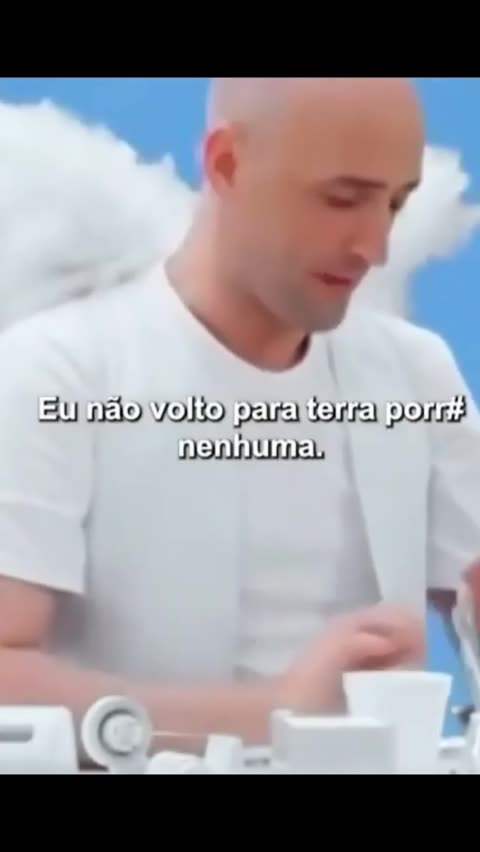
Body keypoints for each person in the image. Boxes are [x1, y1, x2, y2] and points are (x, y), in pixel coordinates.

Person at [0, 77, 478, 751]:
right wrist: (276, 716)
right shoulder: (53, 373)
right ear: (226, 164)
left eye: (396, 204)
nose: (375, 248)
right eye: (342, 199)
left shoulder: (416, 374)